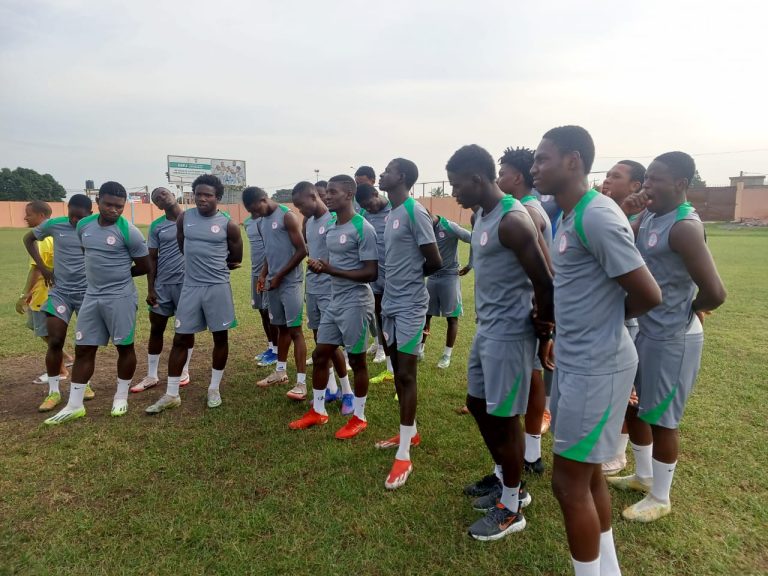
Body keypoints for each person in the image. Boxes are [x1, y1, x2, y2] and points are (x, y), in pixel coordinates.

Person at [531, 126, 661, 575]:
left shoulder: (597, 216)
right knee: (584, 477)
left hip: (597, 365)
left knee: (568, 485)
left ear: (573, 161)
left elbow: (648, 294)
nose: (535, 168)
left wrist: (601, 323)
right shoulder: (571, 216)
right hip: (577, 359)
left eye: (542, 159)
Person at [608, 152, 726, 522]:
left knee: (663, 419)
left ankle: (661, 497)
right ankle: (643, 476)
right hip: (647, 330)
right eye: (646, 179)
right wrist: (626, 210)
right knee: (638, 406)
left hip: (673, 338)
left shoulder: (684, 227)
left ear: (680, 184)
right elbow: (620, 240)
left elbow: (716, 293)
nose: (647, 186)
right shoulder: (650, 215)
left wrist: (688, 311)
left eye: (655, 180)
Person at [448, 145, 555, 541]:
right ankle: (503, 479)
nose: (454, 193)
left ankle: (512, 506)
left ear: (478, 179)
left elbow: (546, 281)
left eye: (457, 185)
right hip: (487, 329)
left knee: (505, 418)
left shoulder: (513, 220)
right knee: (478, 405)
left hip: (510, 334)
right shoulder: (482, 215)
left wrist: (544, 332)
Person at [44, 182, 150, 425]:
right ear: (98, 202)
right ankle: (74, 405)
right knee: (83, 349)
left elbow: (145, 266)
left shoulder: (130, 232)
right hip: (91, 296)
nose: (114, 210)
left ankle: (120, 397)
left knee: (124, 347)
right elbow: (87, 252)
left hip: (120, 297)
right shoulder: (84, 225)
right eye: (108, 204)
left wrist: (120, 275)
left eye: (119, 206)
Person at [289, 175, 379, 437]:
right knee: (320, 355)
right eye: (326, 192)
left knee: (357, 360)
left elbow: (371, 273)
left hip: (356, 302)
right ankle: (318, 411)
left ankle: (359, 417)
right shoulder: (331, 228)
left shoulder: (363, 228)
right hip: (334, 300)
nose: (327, 196)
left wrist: (331, 270)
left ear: (349, 194)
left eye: (333, 192)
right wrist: (320, 267)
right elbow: (330, 263)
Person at [145, 174, 242, 414]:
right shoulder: (184, 219)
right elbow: (182, 246)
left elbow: (236, 257)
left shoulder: (228, 224)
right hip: (190, 287)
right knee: (180, 338)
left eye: (208, 195)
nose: (202, 199)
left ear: (218, 198)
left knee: (220, 338)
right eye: (198, 194)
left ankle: (214, 388)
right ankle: (171, 394)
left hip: (217, 287)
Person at [373, 158, 442, 490]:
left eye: (388, 170)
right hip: (390, 303)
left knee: (406, 374)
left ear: (401, 177)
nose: (382, 174)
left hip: (412, 305)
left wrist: (412, 280)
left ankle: (404, 454)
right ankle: (410, 433)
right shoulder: (392, 213)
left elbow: (435, 260)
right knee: (397, 370)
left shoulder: (415, 212)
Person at [497, 146, 554, 475]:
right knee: (532, 378)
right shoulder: (526, 207)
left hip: (529, 310)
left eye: (502, 173)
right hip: (531, 309)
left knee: (531, 380)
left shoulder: (528, 212)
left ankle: (529, 455)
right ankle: (531, 453)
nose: (498, 179)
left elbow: (546, 272)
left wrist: (543, 316)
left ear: (517, 177)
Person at [600, 160, 647, 475]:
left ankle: (617, 454)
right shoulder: (606, 212)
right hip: (610, 314)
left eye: (615, 176)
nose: (607, 180)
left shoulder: (636, 220)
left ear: (635, 186)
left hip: (626, 316)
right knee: (610, 389)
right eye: (607, 175)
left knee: (624, 391)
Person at [24, 195, 93, 411]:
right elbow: (28, 239)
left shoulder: (95, 227)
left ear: (90, 215)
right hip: (60, 292)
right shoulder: (54, 225)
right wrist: (43, 267)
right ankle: (53, 392)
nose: (74, 220)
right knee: (55, 341)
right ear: (67, 209)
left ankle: (84, 384)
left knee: (85, 343)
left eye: (79, 217)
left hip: (87, 293)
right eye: (71, 215)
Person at [291, 181, 353, 410]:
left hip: (330, 290)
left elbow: (342, 254)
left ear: (313, 196)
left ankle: (348, 392)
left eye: (301, 205)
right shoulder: (309, 223)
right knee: (319, 340)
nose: (300, 210)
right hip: (313, 289)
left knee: (331, 344)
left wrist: (326, 266)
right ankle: (332, 388)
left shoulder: (333, 220)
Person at [131, 187, 193, 393]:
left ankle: (184, 370)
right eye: (156, 198)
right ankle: (151, 375)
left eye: (164, 193)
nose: (161, 198)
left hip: (187, 284)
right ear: (156, 205)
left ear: (173, 195)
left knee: (186, 329)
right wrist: (151, 288)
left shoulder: (193, 219)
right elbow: (152, 258)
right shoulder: (156, 226)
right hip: (162, 285)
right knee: (156, 328)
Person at [251, 189, 308, 392]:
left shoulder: (287, 216)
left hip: (290, 282)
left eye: (256, 209)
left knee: (295, 331)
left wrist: (280, 276)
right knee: (281, 328)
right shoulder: (261, 222)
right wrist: (263, 274)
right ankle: (280, 372)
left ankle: (301, 383)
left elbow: (302, 250)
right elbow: (269, 251)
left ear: (263, 199)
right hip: (273, 282)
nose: (255, 214)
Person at [419, 211, 471, 368]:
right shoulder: (424, 229)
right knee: (426, 315)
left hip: (449, 277)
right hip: (432, 277)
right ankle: (420, 349)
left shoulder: (449, 226)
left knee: (452, 318)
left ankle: (446, 355)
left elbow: (473, 239)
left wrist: (471, 264)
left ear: (430, 219)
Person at [356, 183, 392, 370]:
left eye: (369, 204)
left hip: (395, 275)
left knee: (394, 316)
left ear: (375, 193)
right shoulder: (364, 215)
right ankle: (381, 348)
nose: (369, 209)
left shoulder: (395, 209)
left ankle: (408, 351)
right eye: (364, 207)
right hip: (375, 275)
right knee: (378, 313)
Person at [243, 189, 279, 367]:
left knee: (271, 313)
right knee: (262, 311)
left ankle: (277, 351)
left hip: (269, 272)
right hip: (255, 272)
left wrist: (267, 272)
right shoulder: (247, 223)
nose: (253, 211)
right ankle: (271, 347)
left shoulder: (269, 220)